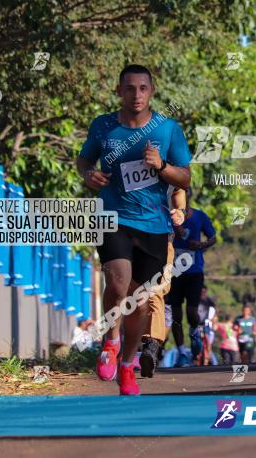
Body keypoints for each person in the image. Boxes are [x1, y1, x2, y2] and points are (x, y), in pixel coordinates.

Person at [77, 64, 191, 395]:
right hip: (112, 216)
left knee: (140, 301)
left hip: (153, 224)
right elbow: (84, 160)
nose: (136, 94)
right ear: (119, 91)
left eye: (143, 88)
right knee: (117, 279)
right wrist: (88, 175)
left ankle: (127, 364)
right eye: (129, 88)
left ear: (151, 91)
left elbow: (185, 177)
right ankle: (110, 340)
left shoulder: (168, 130)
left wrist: (163, 167)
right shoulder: (103, 127)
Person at [165, 187, 217, 367]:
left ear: (188, 197)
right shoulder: (167, 216)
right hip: (174, 273)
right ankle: (181, 352)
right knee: (176, 314)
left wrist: (201, 244)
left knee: (191, 312)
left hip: (194, 271)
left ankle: (195, 330)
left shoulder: (199, 216)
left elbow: (213, 237)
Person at [139, 186, 187, 378]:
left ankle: (151, 346)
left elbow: (179, 189)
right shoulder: (121, 159)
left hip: (162, 237)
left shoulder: (167, 162)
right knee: (127, 291)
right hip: (127, 234)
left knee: (155, 290)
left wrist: (180, 211)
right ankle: (115, 346)